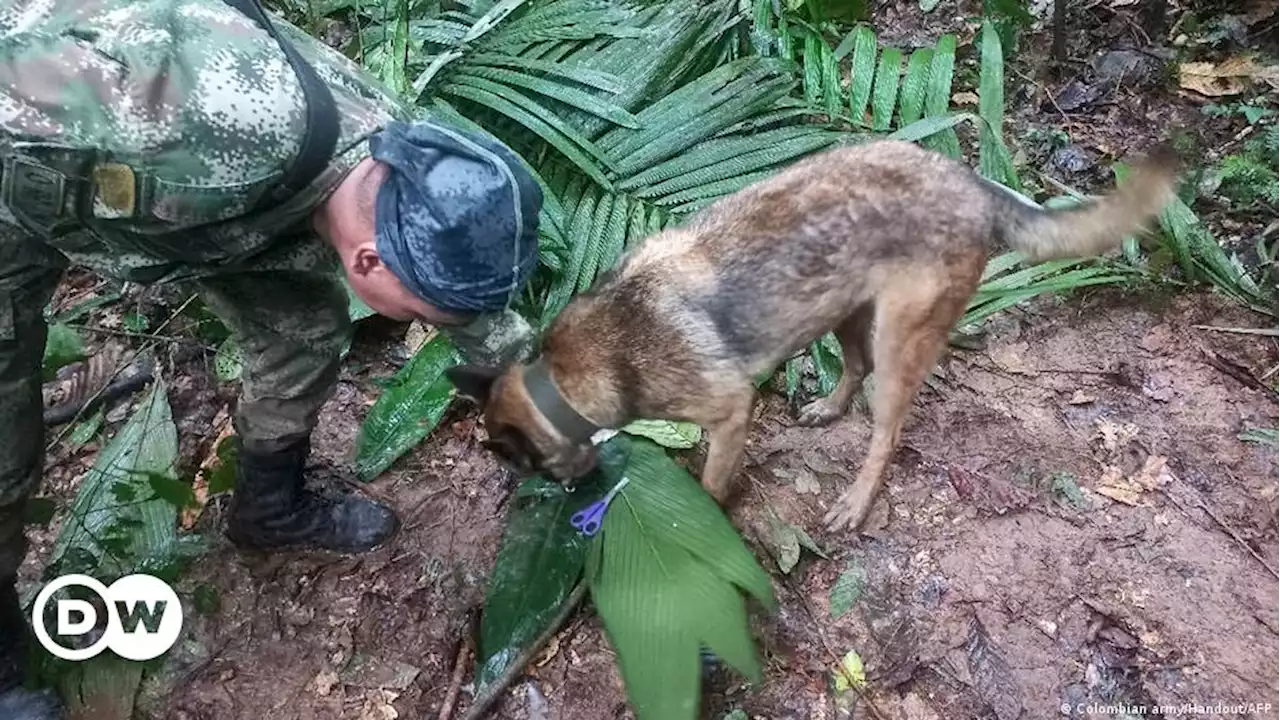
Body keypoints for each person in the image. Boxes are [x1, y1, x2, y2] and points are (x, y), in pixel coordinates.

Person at [0, 0, 543, 716]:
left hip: (211, 218)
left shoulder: (399, 163)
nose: (435, 326)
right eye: (422, 316)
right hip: (20, 192)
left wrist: (554, 409)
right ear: (371, 260)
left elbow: (470, 309)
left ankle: (269, 507)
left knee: (303, 330)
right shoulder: (184, 121)